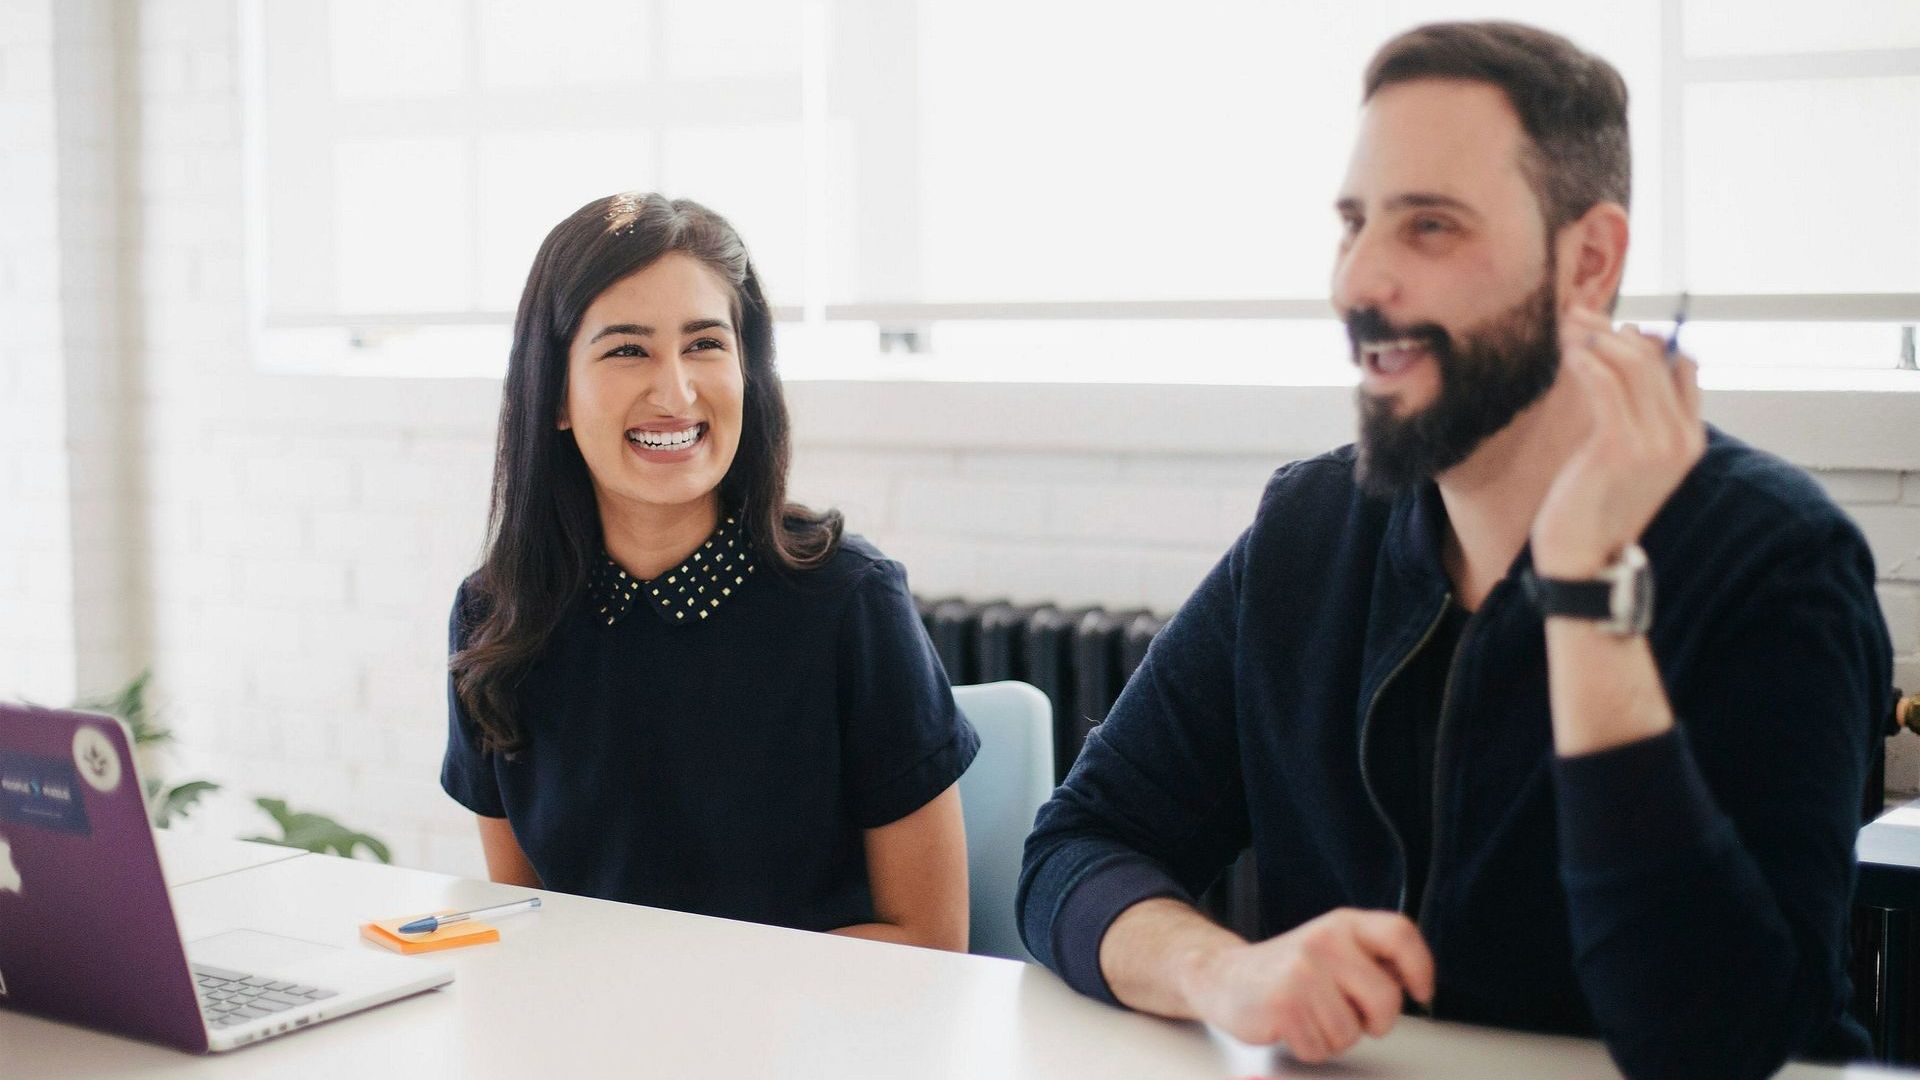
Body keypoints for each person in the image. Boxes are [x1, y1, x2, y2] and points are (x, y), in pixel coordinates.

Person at [1018, 21, 1888, 1078]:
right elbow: (1076, 850)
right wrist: (1222, 971)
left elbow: (1719, 1044)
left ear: (1590, 259)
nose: (1360, 282)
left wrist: (1587, 596)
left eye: (1430, 226)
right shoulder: (1309, 529)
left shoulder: (1779, 561)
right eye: (1354, 224)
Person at [442, 193, 976, 951]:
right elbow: (529, 920)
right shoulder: (496, 614)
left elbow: (930, 939)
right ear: (555, 393)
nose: (676, 392)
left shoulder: (849, 601)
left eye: (704, 345)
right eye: (628, 350)